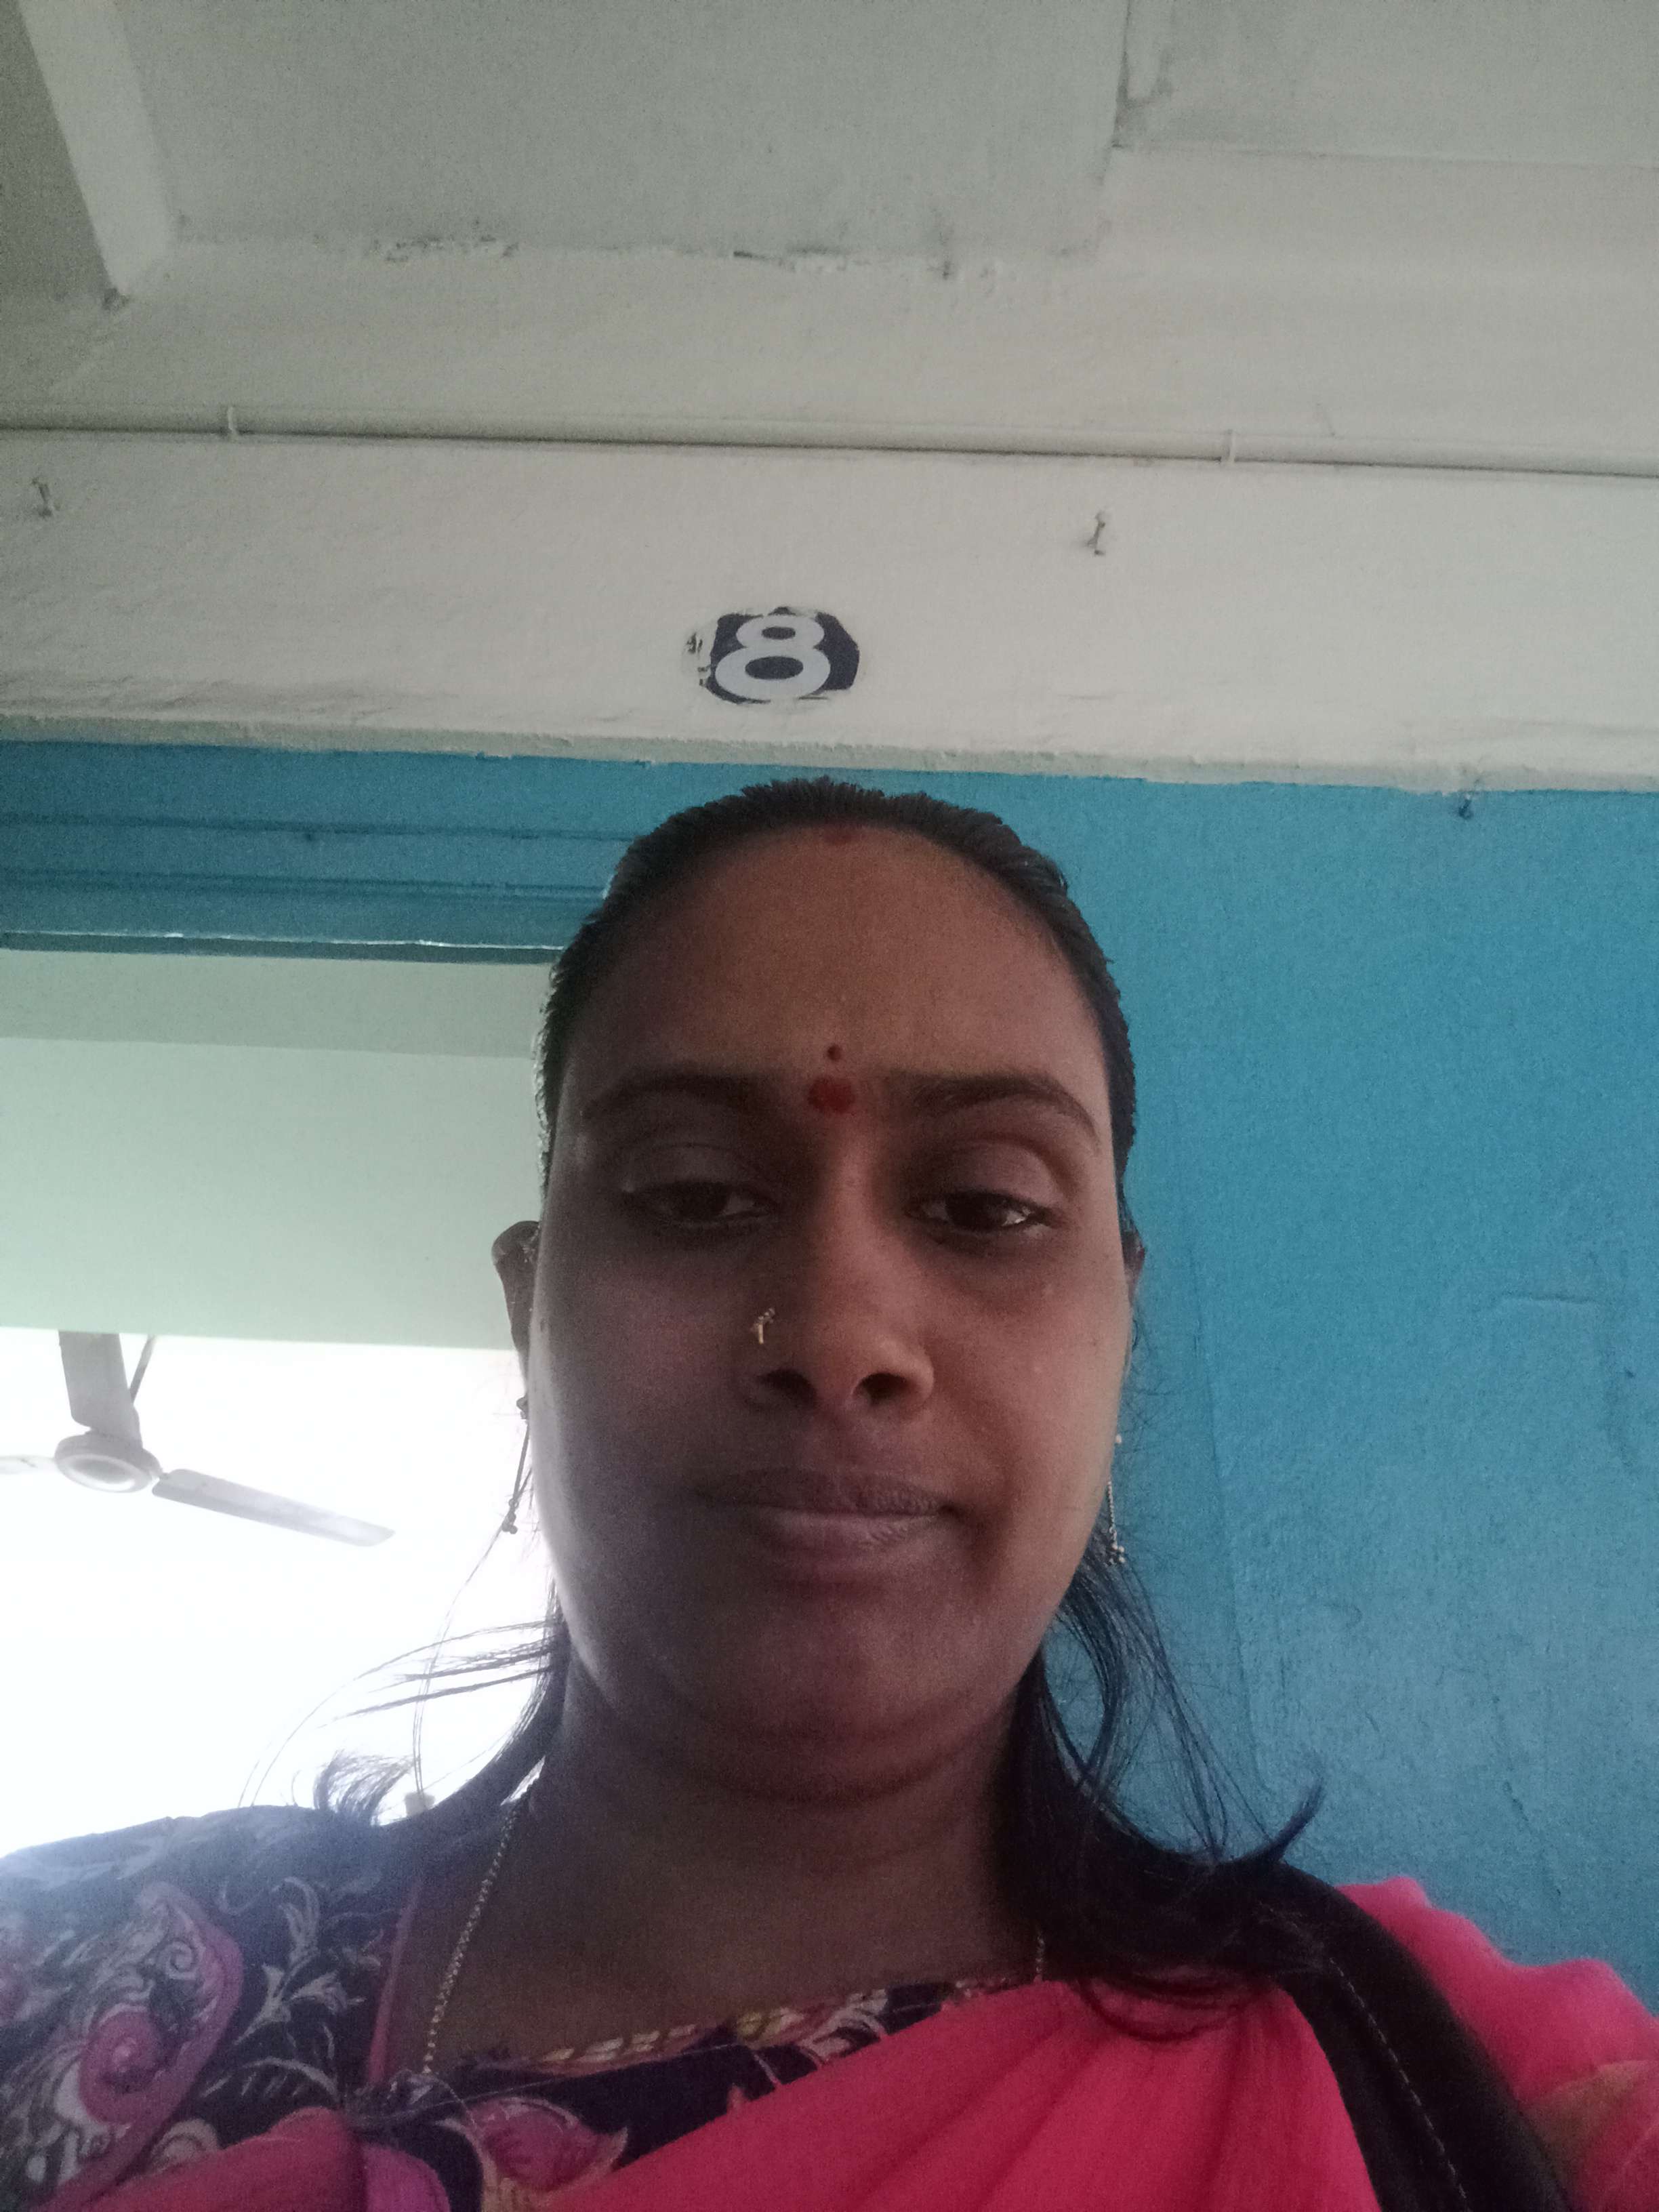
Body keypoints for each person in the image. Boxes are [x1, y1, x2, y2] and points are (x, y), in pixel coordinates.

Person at [1, 777, 1654, 2212]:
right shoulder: (66, 1989)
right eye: (692, 1192)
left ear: (1117, 1334)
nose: (840, 1336)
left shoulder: (1443, 2072)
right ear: (528, 1312)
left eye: (987, 1206)